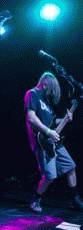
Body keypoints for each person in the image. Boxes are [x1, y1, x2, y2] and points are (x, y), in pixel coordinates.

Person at [24, 72, 83, 213]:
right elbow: (31, 118)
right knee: (50, 176)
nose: (52, 93)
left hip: (53, 141)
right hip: (42, 141)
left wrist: (65, 119)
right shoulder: (32, 94)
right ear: (45, 84)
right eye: (51, 89)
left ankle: (74, 199)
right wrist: (48, 132)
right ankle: (35, 200)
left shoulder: (47, 101)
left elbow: (52, 123)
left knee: (70, 166)